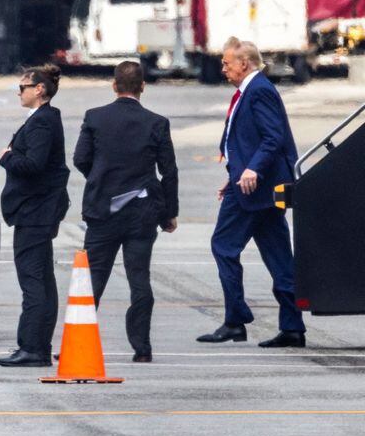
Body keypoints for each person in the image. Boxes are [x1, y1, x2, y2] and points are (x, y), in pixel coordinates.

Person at [196, 37, 306, 347]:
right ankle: (293, 327)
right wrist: (235, 173)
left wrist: (251, 170)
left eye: (227, 63)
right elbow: (250, 140)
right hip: (259, 187)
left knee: (223, 246)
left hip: (255, 188)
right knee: (279, 257)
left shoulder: (258, 91)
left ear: (244, 64)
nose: (223, 68)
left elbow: (273, 138)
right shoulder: (253, 90)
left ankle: (235, 320)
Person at [73, 61, 179, 363]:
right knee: (139, 279)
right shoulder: (157, 123)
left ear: (114, 85)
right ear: (142, 86)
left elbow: (81, 158)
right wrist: (169, 212)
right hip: (141, 213)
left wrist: (100, 179)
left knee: (92, 280)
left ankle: (79, 338)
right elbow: (168, 171)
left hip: (102, 211)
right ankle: (141, 346)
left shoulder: (95, 117)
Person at [0, 64, 69, 367]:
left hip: (35, 212)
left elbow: (35, 165)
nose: (19, 92)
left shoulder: (41, 122)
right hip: (38, 212)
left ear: (39, 89)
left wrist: (8, 157)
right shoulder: (44, 119)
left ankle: (32, 347)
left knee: (33, 280)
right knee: (42, 279)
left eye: (23, 87)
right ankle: (37, 345)